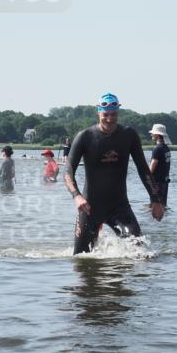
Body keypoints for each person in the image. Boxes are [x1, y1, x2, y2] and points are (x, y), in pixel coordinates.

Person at [64, 93, 164, 254]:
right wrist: (77, 195)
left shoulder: (128, 135)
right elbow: (68, 172)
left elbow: (143, 169)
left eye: (114, 114)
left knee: (139, 251)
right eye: (106, 114)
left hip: (119, 207)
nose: (110, 119)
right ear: (98, 112)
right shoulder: (85, 137)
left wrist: (155, 200)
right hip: (90, 208)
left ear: (118, 113)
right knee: (80, 258)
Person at [149, 124, 172, 208]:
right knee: (163, 206)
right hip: (164, 182)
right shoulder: (166, 148)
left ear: (158, 135)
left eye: (153, 133)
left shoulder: (157, 149)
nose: (151, 134)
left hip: (156, 182)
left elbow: (152, 166)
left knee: (154, 207)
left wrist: (146, 178)